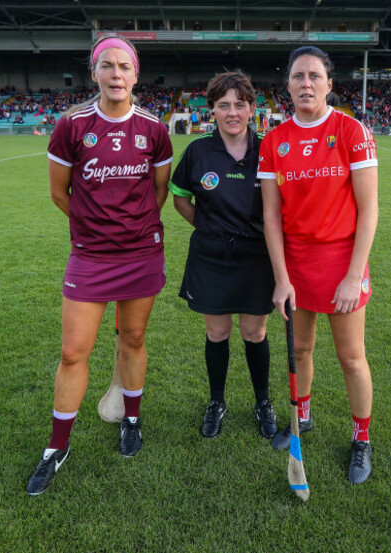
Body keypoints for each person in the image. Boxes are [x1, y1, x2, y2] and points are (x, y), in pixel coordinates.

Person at [26, 35, 173, 495]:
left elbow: (159, 192)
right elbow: (58, 193)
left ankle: (131, 419)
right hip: (90, 257)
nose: (115, 75)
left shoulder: (154, 129)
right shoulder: (71, 125)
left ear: (135, 74)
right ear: (94, 73)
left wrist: (130, 230)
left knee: (132, 339)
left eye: (124, 67)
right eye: (106, 66)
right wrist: (93, 228)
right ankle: (56, 447)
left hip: (141, 254)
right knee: (73, 352)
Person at [258, 46, 379, 485]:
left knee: (351, 358)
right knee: (301, 351)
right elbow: (271, 216)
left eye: (314, 76)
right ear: (287, 85)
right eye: (297, 76)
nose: (306, 83)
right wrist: (281, 278)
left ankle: (361, 439)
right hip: (296, 266)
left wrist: (352, 275)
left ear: (329, 82)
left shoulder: (352, 131)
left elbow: (369, 211)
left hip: (343, 262)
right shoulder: (273, 140)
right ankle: (302, 418)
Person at [169, 72, 278, 439]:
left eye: (240, 105)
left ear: (252, 110)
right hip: (211, 255)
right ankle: (217, 401)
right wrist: (208, 226)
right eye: (223, 105)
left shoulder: (268, 149)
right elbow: (180, 198)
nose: (232, 112)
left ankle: (262, 401)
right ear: (211, 110)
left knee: (254, 332)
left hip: (256, 256)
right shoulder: (198, 150)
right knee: (217, 333)